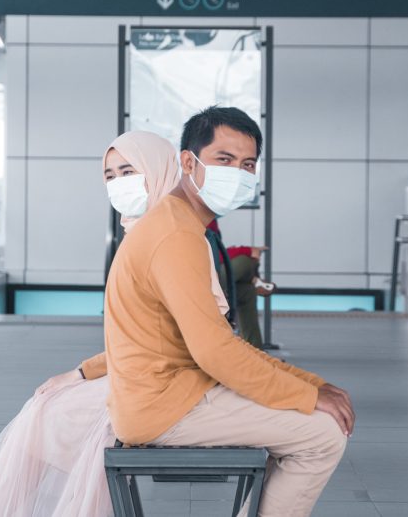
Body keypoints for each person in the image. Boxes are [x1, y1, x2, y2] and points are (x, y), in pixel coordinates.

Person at [0, 130, 232, 516]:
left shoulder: (176, 238)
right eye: (110, 176)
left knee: (52, 413)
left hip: (170, 379)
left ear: (158, 170)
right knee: (45, 406)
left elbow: (179, 341)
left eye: (128, 171)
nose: (118, 184)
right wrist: (81, 373)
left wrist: (81, 374)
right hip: (152, 370)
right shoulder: (142, 233)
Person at [103, 106, 355, 517]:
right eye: (224, 160)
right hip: (163, 407)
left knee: (305, 420)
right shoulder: (175, 235)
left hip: (175, 392)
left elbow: (219, 341)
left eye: (248, 164)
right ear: (189, 162)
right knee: (324, 435)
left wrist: (312, 385)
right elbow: (215, 352)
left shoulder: (178, 225)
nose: (237, 172)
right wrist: (309, 396)